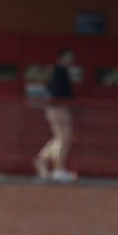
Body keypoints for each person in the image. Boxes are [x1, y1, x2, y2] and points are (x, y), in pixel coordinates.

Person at [34, 49, 76, 182]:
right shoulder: (60, 71)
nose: (70, 61)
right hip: (59, 107)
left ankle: (41, 160)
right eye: (68, 58)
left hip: (54, 107)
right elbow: (63, 91)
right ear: (62, 58)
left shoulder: (54, 71)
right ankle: (59, 168)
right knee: (64, 137)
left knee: (59, 137)